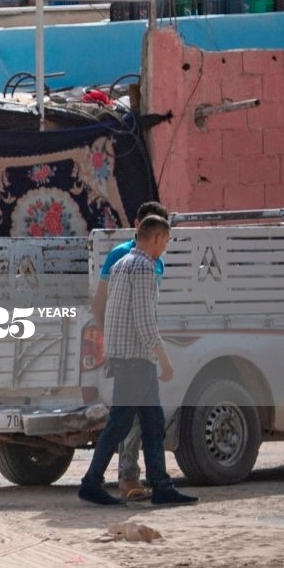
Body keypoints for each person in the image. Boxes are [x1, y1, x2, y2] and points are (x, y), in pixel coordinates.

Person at [78, 215, 197, 507]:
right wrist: (164, 360)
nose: (165, 248)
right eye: (166, 241)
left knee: (152, 424)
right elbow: (144, 320)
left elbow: (117, 315)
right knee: (120, 425)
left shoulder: (120, 264)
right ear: (155, 238)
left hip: (126, 359)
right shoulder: (144, 267)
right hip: (137, 363)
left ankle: (161, 486)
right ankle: (91, 483)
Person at [87, 201, 169, 501]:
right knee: (127, 419)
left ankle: (156, 483)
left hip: (142, 352)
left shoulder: (155, 262)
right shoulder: (122, 257)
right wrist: (114, 346)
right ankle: (126, 478)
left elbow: (148, 310)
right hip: (129, 353)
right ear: (140, 225)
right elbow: (101, 306)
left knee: (148, 419)